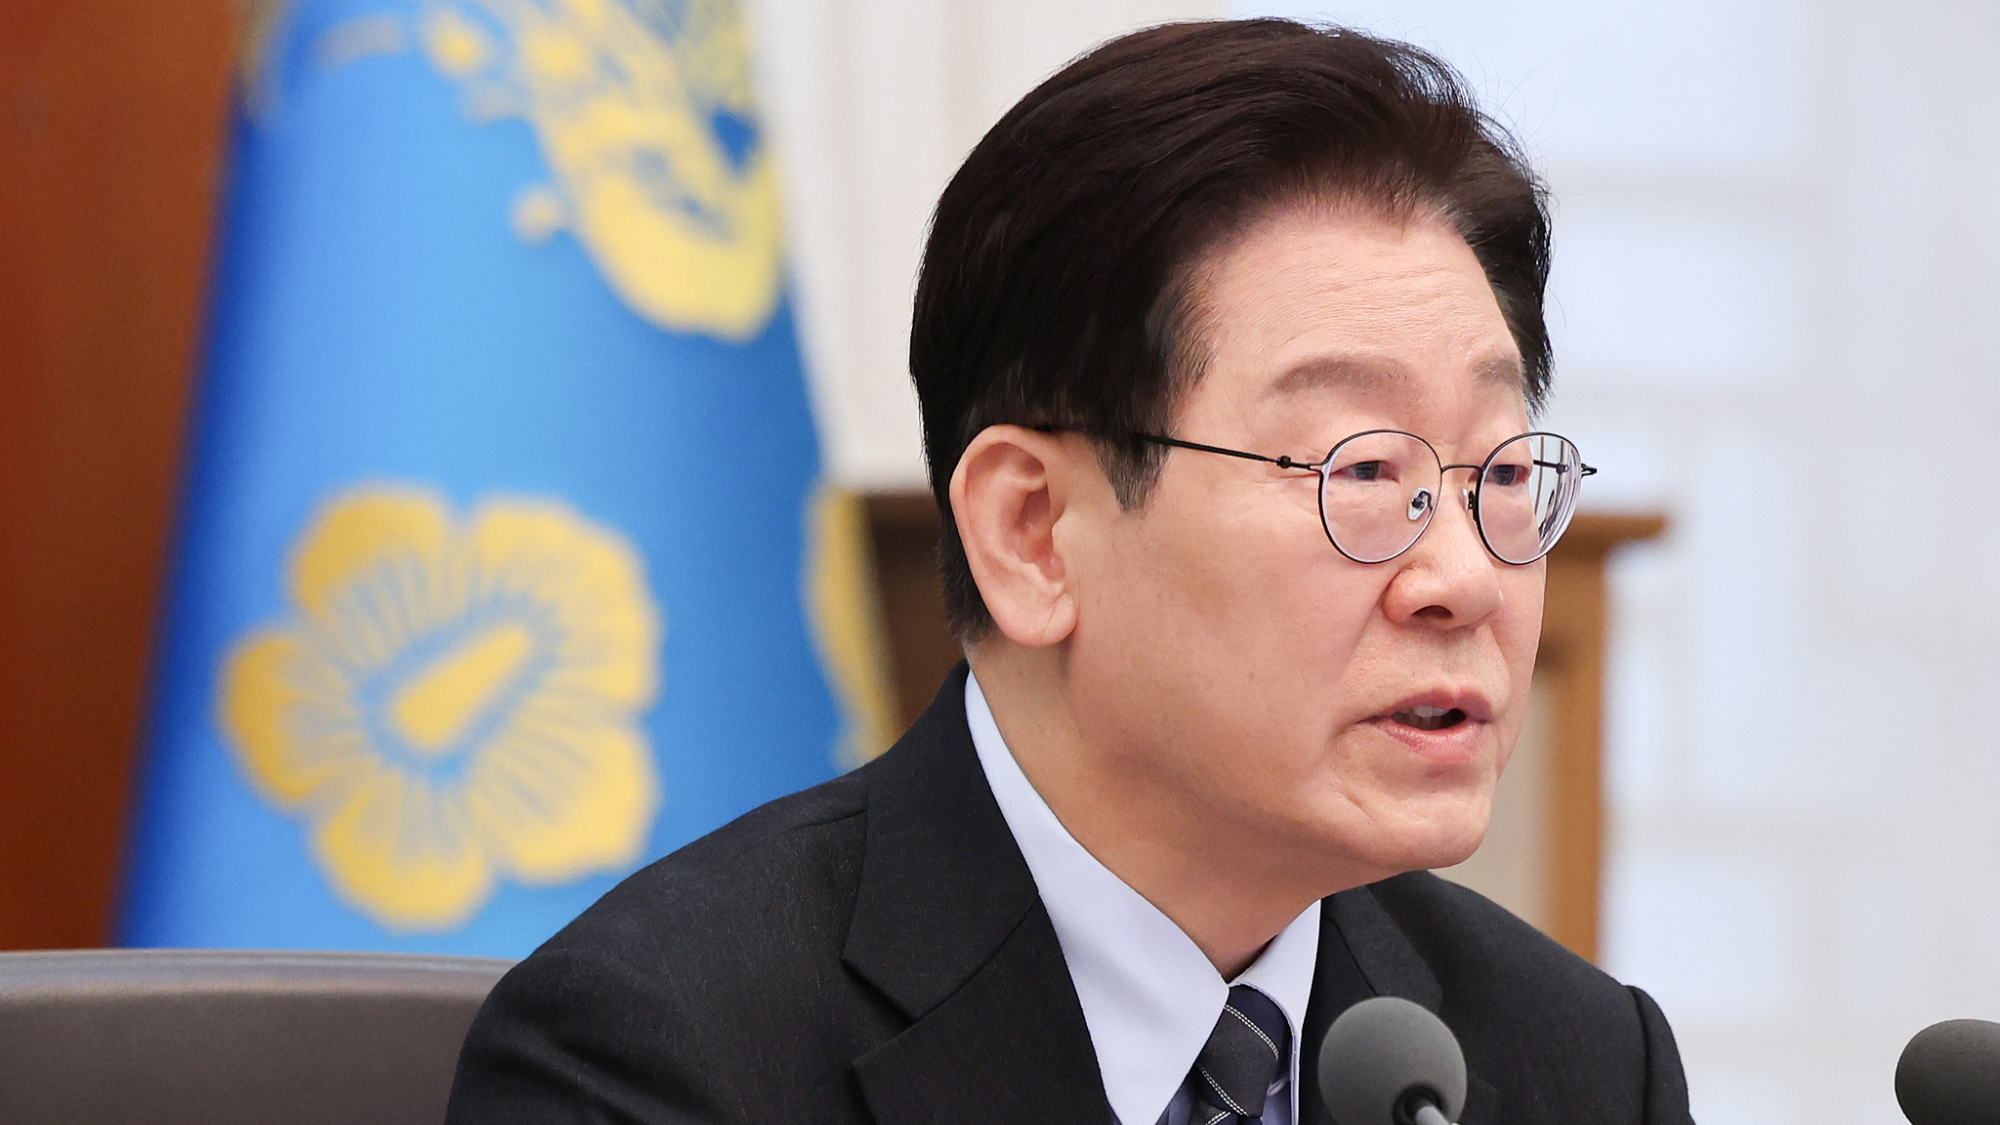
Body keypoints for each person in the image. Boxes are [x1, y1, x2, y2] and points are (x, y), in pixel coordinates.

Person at [446, 18, 1693, 1125]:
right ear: (1031, 533)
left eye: (1498, 473)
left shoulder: (1576, 1067)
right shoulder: (662, 1057)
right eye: (1360, 471)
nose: (1460, 578)